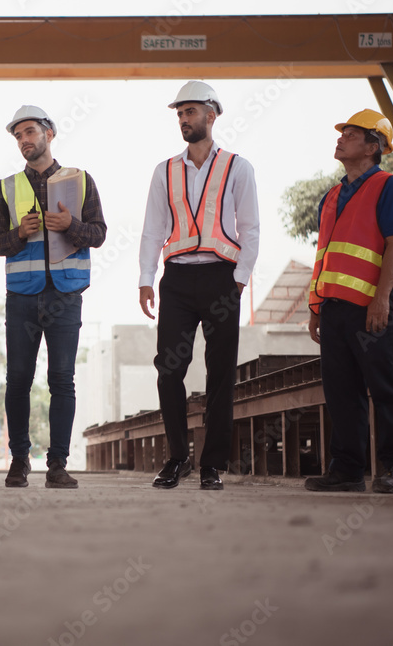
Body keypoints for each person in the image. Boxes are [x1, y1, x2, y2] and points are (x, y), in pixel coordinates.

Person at [138, 81, 260, 491]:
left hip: (222, 278)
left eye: (190, 112)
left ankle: (212, 465)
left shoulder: (237, 167)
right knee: (169, 368)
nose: (183, 119)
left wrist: (240, 279)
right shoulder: (165, 170)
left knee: (221, 372)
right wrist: (145, 279)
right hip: (177, 280)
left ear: (212, 114)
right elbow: (152, 229)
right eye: (179, 113)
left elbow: (251, 228)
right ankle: (177, 459)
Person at [0, 105, 107, 489]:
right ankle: (19, 461)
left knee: (61, 379)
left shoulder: (82, 181)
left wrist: (71, 225)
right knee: (18, 379)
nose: (25, 140)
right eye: (19, 135)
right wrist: (18, 233)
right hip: (22, 296)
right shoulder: (5, 188)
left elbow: (99, 234)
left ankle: (57, 464)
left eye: (30, 132)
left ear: (49, 134)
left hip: (66, 293)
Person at [305, 109, 393, 494]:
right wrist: (316, 307)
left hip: (371, 308)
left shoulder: (389, 187)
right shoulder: (332, 196)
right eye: (342, 134)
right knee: (341, 391)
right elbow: (324, 256)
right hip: (334, 308)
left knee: (385, 386)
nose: (340, 139)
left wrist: (381, 299)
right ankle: (347, 470)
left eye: (350, 134)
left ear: (374, 147)